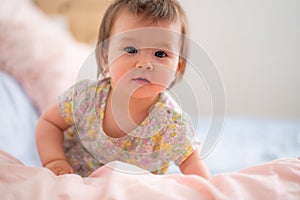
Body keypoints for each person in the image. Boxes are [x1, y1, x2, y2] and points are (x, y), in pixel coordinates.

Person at [36, 0, 211, 179]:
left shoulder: (171, 125)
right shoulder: (86, 98)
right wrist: (54, 160)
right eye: (131, 49)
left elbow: (193, 165)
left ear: (177, 68)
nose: (144, 64)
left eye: (160, 54)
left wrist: (208, 191)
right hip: (76, 183)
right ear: (106, 57)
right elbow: (50, 123)